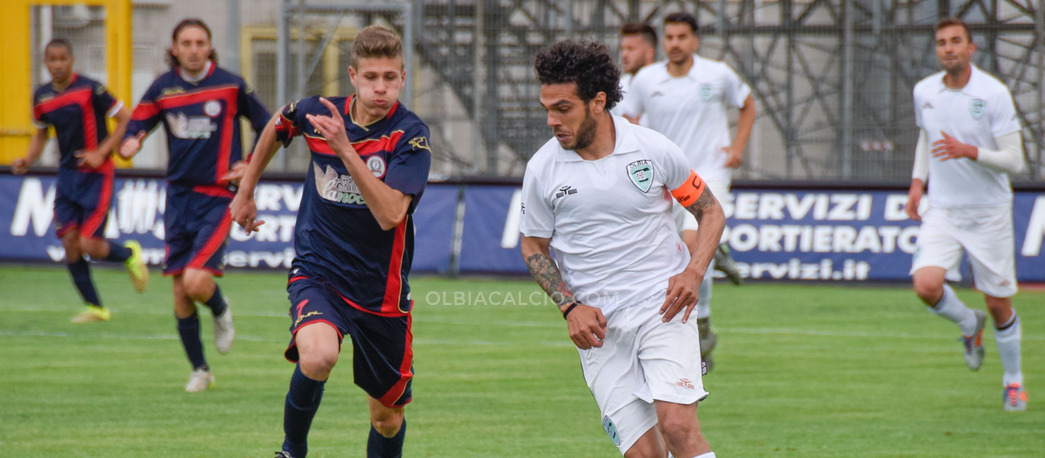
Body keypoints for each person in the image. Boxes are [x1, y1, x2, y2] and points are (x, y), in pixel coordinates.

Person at [228, 25, 432, 458]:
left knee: (386, 418)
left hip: (382, 292)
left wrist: (345, 149)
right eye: (372, 77)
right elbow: (278, 125)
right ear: (353, 76)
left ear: (403, 78)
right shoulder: (318, 112)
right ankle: (291, 450)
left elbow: (390, 214)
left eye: (390, 78)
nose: (381, 88)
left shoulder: (410, 136)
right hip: (319, 273)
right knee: (318, 356)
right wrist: (246, 190)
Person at [521, 39, 725, 458]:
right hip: (599, 330)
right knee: (644, 455)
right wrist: (569, 307)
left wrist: (692, 273)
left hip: (662, 308)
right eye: (547, 108)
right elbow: (533, 244)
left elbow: (710, 212)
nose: (551, 121)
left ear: (598, 102)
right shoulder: (543, 168)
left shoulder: (652, 149)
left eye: (563, 109)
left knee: (678, 427)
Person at [118, 18, 270, 392]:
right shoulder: (163, 88)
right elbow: (136, 125)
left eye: (199, 42)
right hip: (178, 199)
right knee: (180, 292)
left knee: (196, 280)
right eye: (185, 43)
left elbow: (268, 124)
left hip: (218, 197)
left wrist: (249, 164)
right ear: (174, 49)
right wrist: (131, 142)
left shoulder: (231, 85)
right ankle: (200, 370)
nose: (192, 49)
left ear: (209, 46)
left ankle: (220, 309)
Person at [618, 11, 756, 371]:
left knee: (695, 244)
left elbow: (747, 104)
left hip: (709, 172)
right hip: (666, 176)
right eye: (670, 38)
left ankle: (702, 323)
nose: (675, 44)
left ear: (695, 41)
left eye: (682, 37)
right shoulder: (647, 80)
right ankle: (691, 318)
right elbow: (629, 121)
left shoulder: (717, 74)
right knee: (678, 251)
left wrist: (737, 148)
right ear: (663, 43)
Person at [906, 18, 1027, 411]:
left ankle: (1013, 382)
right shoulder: (924, 90)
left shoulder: (993, 94)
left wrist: (970, 151)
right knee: (925, 285)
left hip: (989, 212)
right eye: (941, 42)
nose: (948, 48)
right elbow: (928, 135)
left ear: (971, 48)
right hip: (943, 209)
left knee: (998, 303)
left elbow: (1016, 161)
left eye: (956, 41)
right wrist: (917, 182)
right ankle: (967, 324)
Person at [13, 38, 148, 323]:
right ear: (46, 62)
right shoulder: (42, 97)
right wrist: (28, 159)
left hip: (97, 176)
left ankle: (128, 254)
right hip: (67, 176)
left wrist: (101, 152)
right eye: (53, 59)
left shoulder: (91, 88)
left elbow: (126, 119)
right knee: (70, 243)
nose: (58, 64)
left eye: (63, 58)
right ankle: (96, 308)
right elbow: (41, 132)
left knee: (89, 244)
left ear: (72, 60)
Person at [610, 22, 657, 119]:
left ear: (649, 53)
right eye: (623, 49)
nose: (624, 55)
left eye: (631, 49)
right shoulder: (619, 85)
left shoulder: (660, 85)